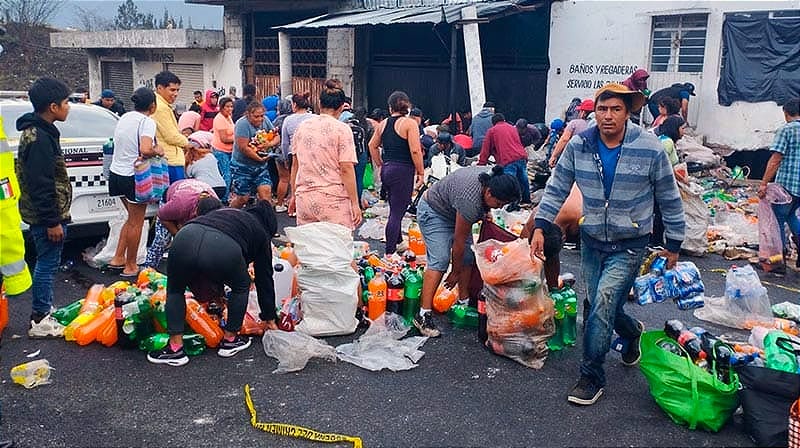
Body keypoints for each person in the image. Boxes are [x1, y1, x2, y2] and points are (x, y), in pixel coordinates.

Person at [531, 83, 685, 406]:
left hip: (630, 242)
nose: (608, 116)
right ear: (595, 113)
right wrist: (541, 226)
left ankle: (591, 376)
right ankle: (631, 332)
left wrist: (674, 242)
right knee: (599, 304)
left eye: (616, 109)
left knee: (602, 302)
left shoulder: (649, 147)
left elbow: (669, 196)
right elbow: (557, 187)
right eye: (602, 109)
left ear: (628, 113)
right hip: (592, 240)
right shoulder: (580, 145)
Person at [147, 201, 278, 366]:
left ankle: (175, 348)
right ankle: (230, 339)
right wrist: (269, 317)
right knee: (241, 285)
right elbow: (264, 279)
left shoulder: (230, 214)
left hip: (185, 236)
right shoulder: (261, 232)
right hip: (222, 246)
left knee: (175, 290)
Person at [416, 165, 521, 337]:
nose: (498, 207)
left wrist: (486, 210)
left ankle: (463, 302)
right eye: (498, 204)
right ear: (488, 193)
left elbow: (463, 246)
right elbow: (458, 242)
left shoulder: (492, 176)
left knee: (468, 256)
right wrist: (455, 273)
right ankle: (423, 314)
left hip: (454, 211)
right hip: (434, 211)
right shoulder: (470, 202)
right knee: (440, 260)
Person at [14, 78, 72, 338]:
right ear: (53, 107)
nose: (68, 107)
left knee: (48, 262)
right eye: (66, 102)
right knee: (47, 264)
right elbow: (41, 183)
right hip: (46, 216)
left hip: (48, 212)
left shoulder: (42, 132)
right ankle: (40, 317)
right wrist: (52, 221)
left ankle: (45, 308)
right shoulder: (39, 138)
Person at [106, 87, 165, 277]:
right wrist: (158, 150)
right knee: (136, 222)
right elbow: (146, 149)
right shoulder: (147, 121)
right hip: (133, 176)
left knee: (131, 218)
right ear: (152, 106)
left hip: (116, 174)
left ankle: (117, 259)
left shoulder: (125, 117)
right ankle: (131, 265)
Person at [290, 79, 362, 230]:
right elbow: (346, 168)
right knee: (337, 243)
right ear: (341, 107)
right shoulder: (342, 129)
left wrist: (293, 195)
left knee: (308, 243)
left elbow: (295, 165)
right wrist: (355, 203)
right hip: (333, 200)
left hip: (304, 198)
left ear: (320, 103)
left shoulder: (302, 127)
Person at [368, 90, 425, 254]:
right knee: (397, 213)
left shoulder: (383, 123)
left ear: (390, 107)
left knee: (395, 208)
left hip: (388, 169)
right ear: (407, 107)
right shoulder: (409, 124)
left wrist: (380, 164)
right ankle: (390, 253)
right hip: (403, 170)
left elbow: (372, 145)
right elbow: (415, 150)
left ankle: (398, 241)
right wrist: (421, 172)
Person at [758, 98, 800, 271]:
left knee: (778, 221)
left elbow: (775, 159)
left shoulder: (786, 130)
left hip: (787, 186)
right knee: (791, 216)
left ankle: (777, 262)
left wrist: (764, 183)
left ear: (786, 112)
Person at [142, 179, 221, 267]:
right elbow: (162, 216)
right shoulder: (181, 204)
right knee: (162, 240)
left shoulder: (216, 206)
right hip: (174, 200)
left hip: (192, 193)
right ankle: (149, 266)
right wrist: (177, 234)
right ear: (196, 212)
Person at [521, 184, 582, 289]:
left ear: (563, 238)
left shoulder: (577, 218)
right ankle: (553, 285)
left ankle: (553, 285)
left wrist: (553, 286)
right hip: (562, 193)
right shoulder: (535, 219)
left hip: (585, 191)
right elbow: (521, 244)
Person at [229, 102, 280, 209]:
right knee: (242, 198)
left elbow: (276, 136)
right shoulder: (242, 124)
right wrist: (259, 159)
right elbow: (243, 148)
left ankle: (265, 218)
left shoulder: (265, 120)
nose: (260, 119)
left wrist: (269, 144)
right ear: (248, 115)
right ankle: (228, 213)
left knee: (266, 195)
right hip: (242, 166)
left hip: (260, 166)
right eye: (256, 117)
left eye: (261, 116)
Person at [478, 113, 531, 204]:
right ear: (504, 120)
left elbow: (485, 150)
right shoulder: (512, 128)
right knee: (523, 180)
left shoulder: (492, 131)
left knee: (509, 183)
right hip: (521, 156)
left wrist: (481, 165)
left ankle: (510, 203)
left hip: (508, 159)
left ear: (493, 123)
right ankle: (526, 200)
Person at [651, 115, 687, 248]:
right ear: (675, 128)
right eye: (682, 128)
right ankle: (656, 241)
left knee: (659, 212)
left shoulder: (667, 140)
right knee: (661, 212)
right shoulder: (667, 143)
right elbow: (664, 165)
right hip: (661, 184)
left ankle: (657, 240)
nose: (684, 131)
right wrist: (681, 178)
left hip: (662, 182)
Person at [152, 71, 192, 183]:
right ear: (160, 88)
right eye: (172, 90)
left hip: (167, 159)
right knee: (175, 192)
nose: (176, 94)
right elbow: (171, 136)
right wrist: (187, 143)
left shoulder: (160, 104)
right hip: (170, 160)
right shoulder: (161, 108)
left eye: (177, 90)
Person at [282, 92, 315, 217]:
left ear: (294, 105)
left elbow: (285, 143)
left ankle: (295, 204)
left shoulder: (288, 120)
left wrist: (285, 157)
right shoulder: (314, 118)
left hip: (293, 154)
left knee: (295, 181)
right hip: (311, 154)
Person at [550, 99, 594, 168]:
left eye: (579, 111)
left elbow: (564, 139)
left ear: (583, 113)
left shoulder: (574, 123)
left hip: (577, 159)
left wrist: (554, 156)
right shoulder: (599, 125)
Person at [185, 131, 227, 199]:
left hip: (204, 189)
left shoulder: (190, 162)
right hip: (221, 187)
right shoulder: (210, 155)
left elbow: (188, 176)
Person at [347, 106, 374, 209]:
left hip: (348, 154)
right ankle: (357, 202)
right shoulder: (367, 124)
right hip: (362, 154)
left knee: (348, 178)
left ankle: (348, 202)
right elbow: (370, 141)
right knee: (359, 179)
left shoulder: (346, 123)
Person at [271, 98, 294, 212]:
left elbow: (271, 135)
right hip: (292, 151)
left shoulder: (277, 121)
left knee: (283, 179)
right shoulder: (293, 119)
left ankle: (280, 204)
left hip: (279, 152)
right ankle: (292, 203)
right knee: (294, 179)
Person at [211, 96, 235, 200]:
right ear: (221, 107)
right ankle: (224, 199)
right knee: (227, 174)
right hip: (221, 151)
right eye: (227, 107)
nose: (230, 109)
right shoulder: (219, 119)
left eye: (231, 106)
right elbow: (224, 139)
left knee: (230, 173)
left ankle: (227, 195)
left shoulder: (228, 117)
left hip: (229, 150)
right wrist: (238, 138)